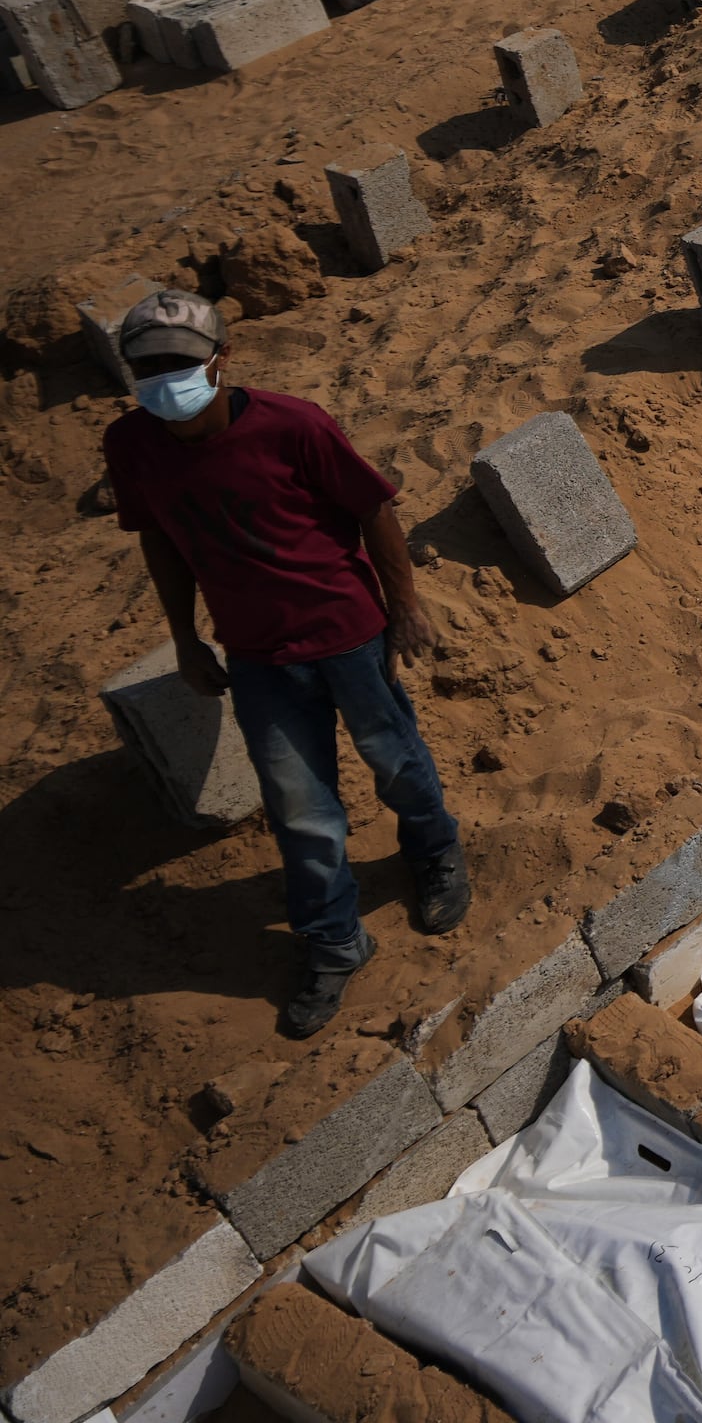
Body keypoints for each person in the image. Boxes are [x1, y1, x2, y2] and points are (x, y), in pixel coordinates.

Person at [105, 290, 468, 1037]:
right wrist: (184, 638)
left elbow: (373, 509)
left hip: (347, 634)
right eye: (148, 366)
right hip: (258, 654)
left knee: (395, 761)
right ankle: (335, 941)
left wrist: (404, 608)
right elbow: (161, 541)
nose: (163, 378)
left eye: (179, 361)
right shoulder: (131, 445)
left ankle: (433, 854)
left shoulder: (293, 426)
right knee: (299, 808)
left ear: (220, 360)